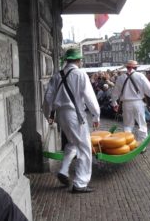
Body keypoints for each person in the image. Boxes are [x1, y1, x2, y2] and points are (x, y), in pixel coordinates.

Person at [43, 48, 100, 193]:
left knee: (72, 143)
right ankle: (80, 183)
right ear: (78, 60)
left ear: (67, 60)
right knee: (85, 147)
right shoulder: (80, 74)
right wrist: (96, 115)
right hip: (75, 115)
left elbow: (48, 98)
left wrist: (48, 115)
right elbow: (90, 98)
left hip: (61, 115)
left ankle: (63, 170)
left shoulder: (57, 76)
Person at [111, 60, 150, 144]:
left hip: (126, 104)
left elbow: (115, 92)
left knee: (127, 125)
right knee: (141, 124)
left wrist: (114, 103)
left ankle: (128, 143)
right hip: (138, 103)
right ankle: (142, 145)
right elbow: (149, 89)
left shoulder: (121, 77)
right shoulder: (140, 76)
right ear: (136, 67)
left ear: (127, 67)